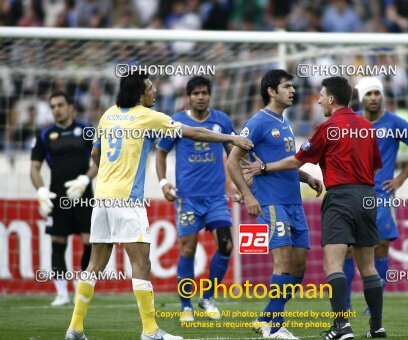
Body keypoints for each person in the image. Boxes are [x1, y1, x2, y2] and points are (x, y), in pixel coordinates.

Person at [64, 71, 253, 340]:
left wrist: (111, 171)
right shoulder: (148, 116)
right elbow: (194, 132)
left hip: (102, 197)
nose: (155, 92)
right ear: (140, 94)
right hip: (128, 200)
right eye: (151, 88)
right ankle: (151, 331)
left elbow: (95, 153)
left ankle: (75, 328)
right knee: (141, 264)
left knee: (94, 265)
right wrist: (231, 138)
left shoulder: (108, 114)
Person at [242, 76, 386, 339]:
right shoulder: (367, 127)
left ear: (331, 99)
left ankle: (341, 326)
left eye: (321, 95)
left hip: (340, 197)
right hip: (368, 197)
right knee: (369, 267)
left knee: (333, 266)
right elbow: (376, 163)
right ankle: (377, 327)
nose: (318, 100)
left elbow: (297, 160)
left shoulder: (327, 127)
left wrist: (264, 167)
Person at [227, 69, 322, 339]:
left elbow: (282, 163)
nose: (293, 91)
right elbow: (233, 161)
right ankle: (274, 327)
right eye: (287, 86)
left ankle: (265, 317)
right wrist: (248, 195)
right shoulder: (258, 122)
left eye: (293, 87)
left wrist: (305, 177)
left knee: (299, 267)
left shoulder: (284, 122)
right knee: (281, 263)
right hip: (271, 203)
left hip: (293, 202)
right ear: (271, 91)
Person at [155, 76, 239, 321]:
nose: (200, 97)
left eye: (204, 93)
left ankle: (207, 297)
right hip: (187, 198)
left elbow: (232, 155)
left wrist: (236, 184)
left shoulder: (221, 120)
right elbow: (160, 154)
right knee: (188, 249)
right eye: (196, 93)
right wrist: (162, 182)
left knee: (226, 245)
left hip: (216, 198)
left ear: (209, 95)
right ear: (188, 97)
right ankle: (185, 306)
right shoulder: (177, 121)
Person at [344, 77, 408, 314]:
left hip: (381, 194)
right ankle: (345, 304)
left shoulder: (395, 123)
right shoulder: (351, 122)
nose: (373, 98)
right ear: (361, 96)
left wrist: (400, 179)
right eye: (369, 94)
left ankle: (373, 305)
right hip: (352, 192)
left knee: (380, 247)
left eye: (376, 93)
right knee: (347, 248)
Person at [30, 91, 97, 307]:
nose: (56, 109)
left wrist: (85, 180)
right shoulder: (45, 135)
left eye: (60, 105)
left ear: (70, 106)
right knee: (58, 242)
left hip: (83, 195)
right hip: (57, 196)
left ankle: (81, 283)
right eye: (53, 106)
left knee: (89, 242)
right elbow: (35, 168)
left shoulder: (86, 130)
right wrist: (40, 190)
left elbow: (99, 160)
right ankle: (61, 293)